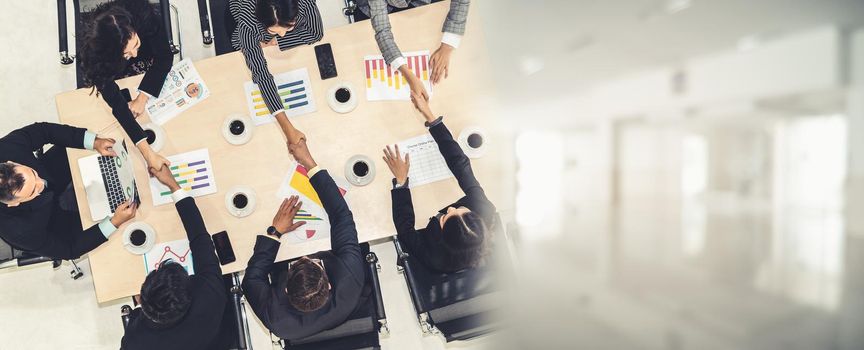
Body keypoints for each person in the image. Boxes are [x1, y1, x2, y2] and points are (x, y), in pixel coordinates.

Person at [242, 139, 364, 340]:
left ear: (286, 288)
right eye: (312, 262)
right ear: (330, 284)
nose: (305, 256)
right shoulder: (350, 283)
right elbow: (341, 216)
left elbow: (251, 280)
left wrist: (275, 232)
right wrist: (309, 163)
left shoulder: (275, 320)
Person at [382, 91, 495, 272]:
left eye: (447, 218)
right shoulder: (484, 208)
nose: (451, 208)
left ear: (442, 234)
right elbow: (460, 164)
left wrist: (401, 182)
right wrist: (431, 118)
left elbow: (405, 229)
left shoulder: (434, 258)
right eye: (461, 210)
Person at [120, 164, 226, 349]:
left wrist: (137, 308)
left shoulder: (135, 342)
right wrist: (173, 185)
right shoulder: (210, 295)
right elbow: (200, 238)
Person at [0, 123, 137, 260]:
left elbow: (44, 131)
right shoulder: (19, 231)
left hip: (51, 170)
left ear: (12, 162)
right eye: (33, 191)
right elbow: (69, 249)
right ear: (13, 204)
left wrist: (94, 142)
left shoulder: (6, 148)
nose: (41, 183)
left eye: (33, 174)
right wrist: (114, 223)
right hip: (52, 220)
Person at [78, 0, 172, 171]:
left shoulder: (143, 15)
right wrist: (148, 153)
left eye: (135, 44)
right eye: (128, 53)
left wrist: (142, 97)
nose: (134, 54)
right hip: (118, 70)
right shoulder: (96, 53)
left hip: (149, 58)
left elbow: (165, 57)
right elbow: (117, 104)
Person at [229, 0, 323, 143]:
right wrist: (288, 128)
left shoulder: (304, 2)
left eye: (289, 27)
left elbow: (315, 33)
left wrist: (277, 41)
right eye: (274, 30)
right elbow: (261, 74)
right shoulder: (248, 20)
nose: (283, 34)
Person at [357, 0, 470, 99]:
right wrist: (407, 74)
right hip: (379, 8)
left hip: (421, 8)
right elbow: (382, 30)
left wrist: (448, 45)